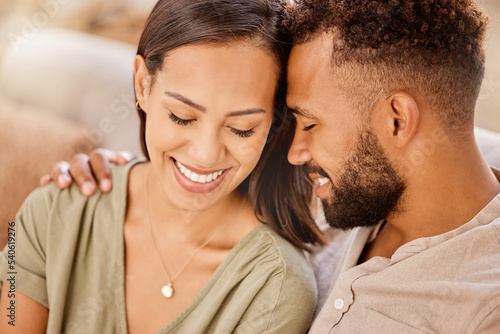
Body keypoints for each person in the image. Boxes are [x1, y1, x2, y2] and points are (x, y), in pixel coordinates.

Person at [52, 0, 500, 332]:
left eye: (309, 123)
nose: (295, 151)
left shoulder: (484, 308)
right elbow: (206, 157)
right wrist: (116, 176)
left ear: (397, 120)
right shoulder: (342, 191)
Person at [0, 1, 327, 333]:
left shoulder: (275, 289)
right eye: (182, 117)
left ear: (273, 122)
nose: (205, 154)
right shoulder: (50, 209)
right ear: (143, 85)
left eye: (242, 128)